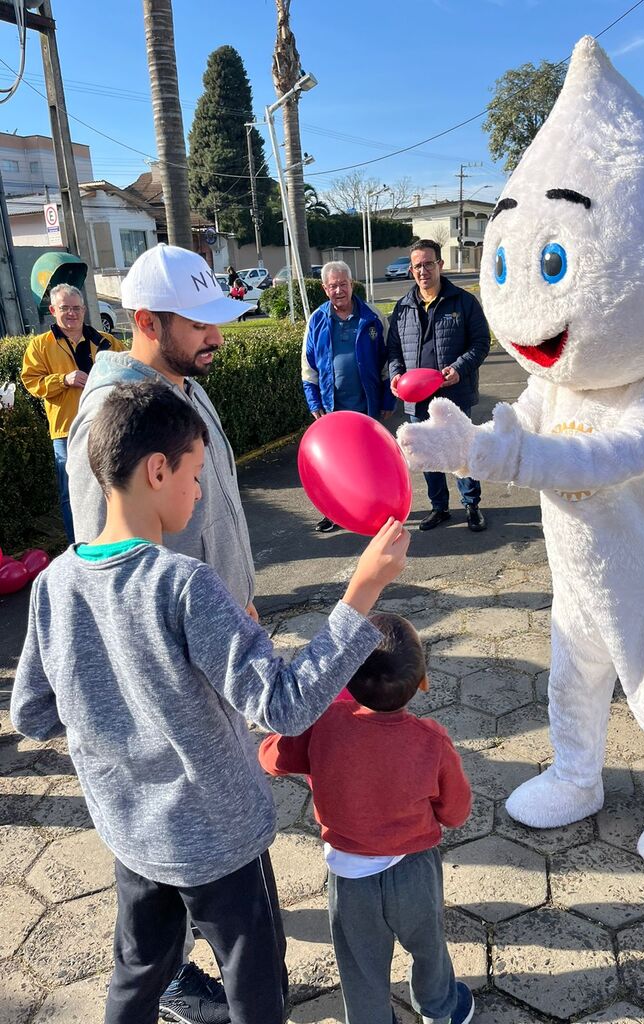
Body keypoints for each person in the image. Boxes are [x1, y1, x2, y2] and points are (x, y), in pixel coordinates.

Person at [11, 380, 410, 1024]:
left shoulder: (55, 582)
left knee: (139, 971)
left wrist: (122, 697)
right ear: (158, 469)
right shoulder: (184, 585)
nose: (200, 493)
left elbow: (31, 712)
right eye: (195, 474)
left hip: (132, 833)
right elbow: (284, 705)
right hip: (217, 840)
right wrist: (360, 592)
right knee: (255, 987)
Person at [66, 243, 259, 1020]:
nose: (217, 336)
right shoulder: (111, 425)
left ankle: (165, 959)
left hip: (214, 639)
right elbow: (105, 569)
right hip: (174, 670)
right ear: (144, 321)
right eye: (200, 322)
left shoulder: (179, 384)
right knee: (171, 828)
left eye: (218, 319)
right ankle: (170, 974)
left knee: (190, 834)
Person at [259, 612, 474, 1024]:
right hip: (414, 870)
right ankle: (440, 1009)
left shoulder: (322, 725)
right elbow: (456, 812)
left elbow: (270, 759)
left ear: (343, 681)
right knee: (429, 943)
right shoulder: (432, 740)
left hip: (350, 877)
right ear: (423, 682)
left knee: (360, 967)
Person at [388, 239, 490, 533]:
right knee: (427, 454)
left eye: (428, 264)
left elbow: (481, 343)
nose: (423, 271)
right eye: (417, 265)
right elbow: (393, 349)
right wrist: (396, 374)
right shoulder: (403, 307)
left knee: (461, 451)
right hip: (416, 399)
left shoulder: (463, 301)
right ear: (411, 270)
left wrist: (459, 368)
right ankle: (439, 508)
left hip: (454, 395)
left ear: (440, 265)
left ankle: (472, 506)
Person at [20, 283, 123, 544]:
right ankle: (78, 548)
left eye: (76, 308)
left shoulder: (105, 341)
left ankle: (114, 542)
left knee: (116, 487)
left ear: (84, 310)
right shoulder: (40, 346)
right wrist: (62, 380)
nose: (71, 313)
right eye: (65, 308)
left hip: (107, 427)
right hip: (66, 432)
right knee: (72, 494)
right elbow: (32, 382)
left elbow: (129, 366)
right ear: (53, 310)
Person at [302, 260, 396, 533]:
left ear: (352, 284)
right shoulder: (317, 320)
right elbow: (308, 367)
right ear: (324, 288)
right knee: (334, 466)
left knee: (370, 462)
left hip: (367, 406)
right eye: (333, 286)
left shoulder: (372, 316)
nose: (339, 290)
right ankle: (334, 514)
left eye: (343, 284)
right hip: (333, 410)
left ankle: (375, 511)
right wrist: (314, 401)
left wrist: (388, 399)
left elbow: (387, 361)